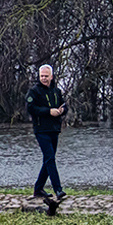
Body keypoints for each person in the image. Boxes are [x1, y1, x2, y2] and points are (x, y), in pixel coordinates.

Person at [26, 64, 67, 201]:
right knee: (50, 159)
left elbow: (64, 105)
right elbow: (31, 108)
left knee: (48, 160)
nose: (44, 78)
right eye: (41, 76)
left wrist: (61, 111)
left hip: (54, 129)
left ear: (51, 76)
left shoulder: (56, 91)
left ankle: (38, 189)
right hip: (41, 129)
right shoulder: (34, 92)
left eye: (46, 76)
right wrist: (48, 111)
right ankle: (58, 190)